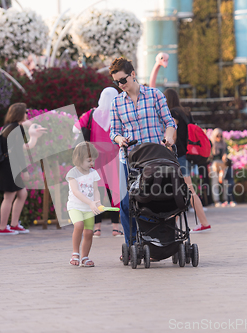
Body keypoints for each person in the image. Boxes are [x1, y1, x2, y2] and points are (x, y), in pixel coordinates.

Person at [109, 57, 176, 251]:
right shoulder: (116, 103)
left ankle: (154, 243)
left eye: (123, 80)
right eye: (116, 82)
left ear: (133, 74)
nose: (120, 85)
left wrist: (169, 138)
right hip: (129, 159)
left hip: (154, 157)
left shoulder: (155, 95)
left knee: (151, 199)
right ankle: (132, 246)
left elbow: (169, 123)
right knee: (125, 203)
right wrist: (119, 139)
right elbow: (114, 131)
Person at [73, 87, 123, 238]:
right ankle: (116, 228)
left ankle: (97, 228)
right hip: (115, 158)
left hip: (94, 159)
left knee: (96, 192)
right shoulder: (119, 114)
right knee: (115, 193)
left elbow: (76, 129)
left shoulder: (92, 113)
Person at [163, 88, 211, 233]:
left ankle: (203, 222)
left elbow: (174, 136)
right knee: (181, 189)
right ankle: (173, 223)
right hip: (187, 155)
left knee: (188, 189)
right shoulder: (185, 112)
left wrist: (166, 147)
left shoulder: (173, 113)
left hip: (179, 155)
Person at [0, 103, 46, 235]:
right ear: (19, 114)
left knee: (22, 194)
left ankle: (13, 224)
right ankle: (3, 228)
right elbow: (18, 152)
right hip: (10, 166)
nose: (26, 115)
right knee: (9, 196)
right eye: (25, 113)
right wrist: (24, 170)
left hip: (8, 165)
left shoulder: (8, 127)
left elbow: (20, 148)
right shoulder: (15, 129)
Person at [66, 142, 101, 267]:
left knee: (88, 232)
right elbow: (75, 192)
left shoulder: (93, 173)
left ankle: (85, 256)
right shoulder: (72, 173)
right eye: (89, 161)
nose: (92, 164)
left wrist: (97, 203)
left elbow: (96, 190)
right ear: (79, 159)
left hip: (88, 208)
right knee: (79, 225)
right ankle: (75, 253)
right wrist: (91, 202)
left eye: (93, 161)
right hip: (75, 206)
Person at [210, 128, 228, 207]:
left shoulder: (224, 144)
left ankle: (225, 199)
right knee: (215, 183)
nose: (219, 138)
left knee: (225, 182)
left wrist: (225, 156)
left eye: (220, 136)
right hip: (214, 164)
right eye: (217, 136)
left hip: (222, 164)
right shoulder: (211, 143)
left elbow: (226, 153)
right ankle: (216, 200)